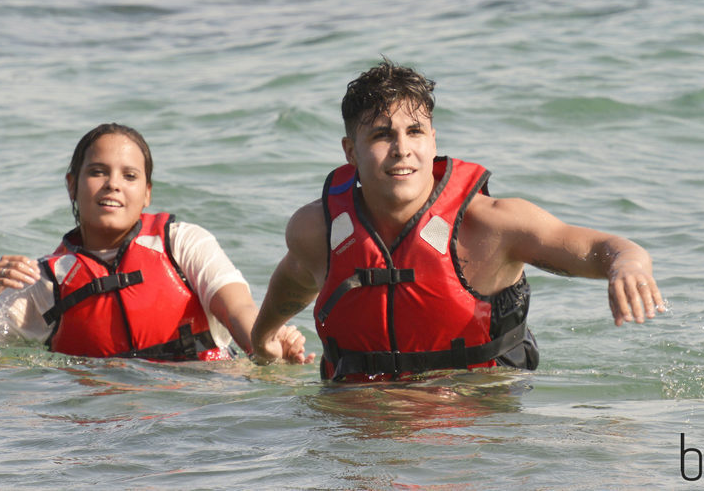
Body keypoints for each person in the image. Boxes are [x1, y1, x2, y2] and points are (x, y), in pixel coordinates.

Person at [251, 60, 664, 380]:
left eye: (415, 132)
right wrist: (262, 339)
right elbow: (295, 279)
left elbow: (604, 248)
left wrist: (626, 266)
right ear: (350, 151)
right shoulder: (317, 231)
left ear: (434, 141)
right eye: (381, 135)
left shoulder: (492, 227)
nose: (402, 149)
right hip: (360, 418)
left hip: (474, 422)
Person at [0, 123, 312, 364]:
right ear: (72, 185)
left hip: (205, 410)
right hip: (96, 424)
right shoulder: (46, 282)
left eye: (130, 175)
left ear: (147, 193)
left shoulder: (182, 243)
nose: (113, 184)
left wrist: (266, 350)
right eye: (97, 172)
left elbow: (239, 312)